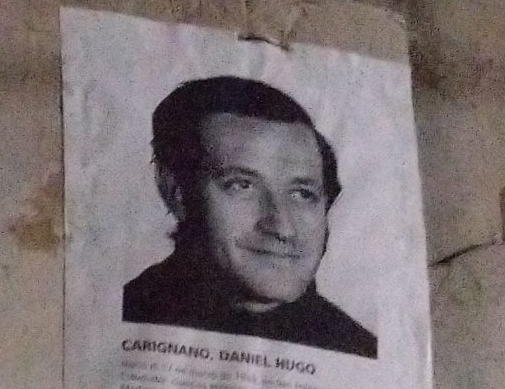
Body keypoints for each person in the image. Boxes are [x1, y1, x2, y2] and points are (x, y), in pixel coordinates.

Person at [121, 76, 377, 357]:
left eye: (302, 194)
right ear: (177, 193)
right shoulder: (119, 316)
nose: (282, 227)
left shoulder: (357, 349)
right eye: (242, 185)